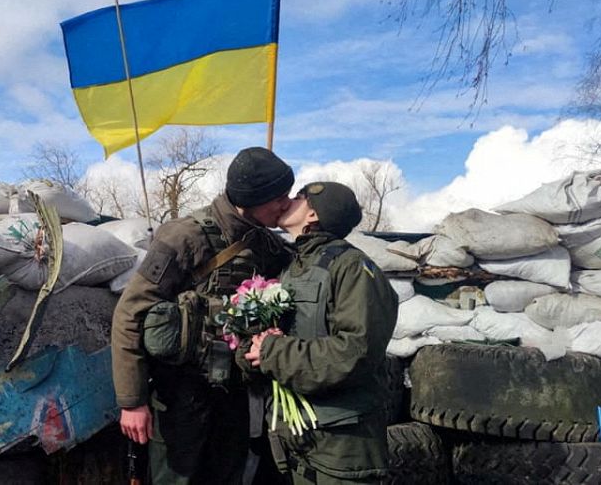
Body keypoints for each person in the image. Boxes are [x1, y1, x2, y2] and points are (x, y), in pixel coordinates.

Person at [111, 146, 296, 484]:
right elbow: (129, 313)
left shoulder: (266, 244)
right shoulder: (186, 236)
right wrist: (132, 401)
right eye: (278, 197)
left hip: (234, 394)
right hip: (181, 394)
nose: (286, 204)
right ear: (250, 198)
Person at [243, 181, 399, 484]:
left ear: (313, 214)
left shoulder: (353, 268)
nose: (287, 200)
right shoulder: (294, 267)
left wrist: (273, 352)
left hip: (341, 447)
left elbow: (355, 352)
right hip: (297, 438)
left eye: (298, 197)